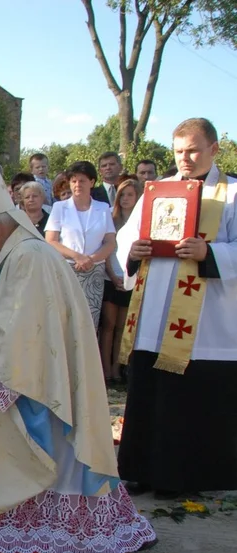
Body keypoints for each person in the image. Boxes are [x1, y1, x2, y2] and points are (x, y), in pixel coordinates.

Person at [0, 168, 156, 553]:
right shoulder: (28, 251)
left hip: (45, 379)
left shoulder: (27, 257)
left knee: (54, 449)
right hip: (49, 370)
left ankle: (66, 525)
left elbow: (17, 327)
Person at [116, 117, 237, 497]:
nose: (184, 158)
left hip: (206, 323)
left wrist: (211, 252)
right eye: (178, 151)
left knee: (191, 399)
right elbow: (127, 237)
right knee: (149, 391)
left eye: (193, 150)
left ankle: (184, 477)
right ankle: (140, 469)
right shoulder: (160, 190)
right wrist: (131, 252)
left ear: (214, 149)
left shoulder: (232, 193)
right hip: (153, 314)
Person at [44, 160, 117, 329]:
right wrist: (77, 256)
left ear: (92, 182)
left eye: (82, 180)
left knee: (88, 323)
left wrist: (90, 259)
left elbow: (110, 242)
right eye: (74, 180)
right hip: (66, 270)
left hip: (93, 272)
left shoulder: (103, 208)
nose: (77, 185)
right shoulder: (59, 207)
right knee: (63, 322)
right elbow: (51, 241)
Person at [100, 178, 141, 384]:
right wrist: (113, 275)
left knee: (122, 328)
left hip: (131, 280)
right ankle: (105, 370)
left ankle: (117, 369)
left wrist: (127, 278)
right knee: (108, 325)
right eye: (122, 195)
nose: (125, 199)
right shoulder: (110, 218)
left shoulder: (142, 222)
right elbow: (106, 250)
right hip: (111, 277)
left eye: (130, 195)